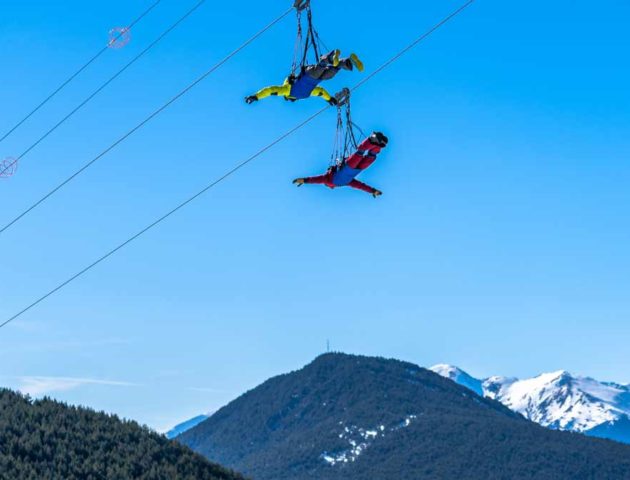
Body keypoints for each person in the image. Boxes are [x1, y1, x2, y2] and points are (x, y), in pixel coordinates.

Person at [245, 50, 363, 105]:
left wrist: (329, 99)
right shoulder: (291, 90)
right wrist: (256, 96)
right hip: (312, 76)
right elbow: (271, 90)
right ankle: (344, 61)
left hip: (314, 77)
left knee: (328, 70)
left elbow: (320, 92)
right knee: (325, 68)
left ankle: (338, 60)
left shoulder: (295, 92)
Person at [293, 132, 388, 197]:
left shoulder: (328, 179)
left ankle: (372, 139)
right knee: (369, 156)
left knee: (360, 153)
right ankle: (378, 144)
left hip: (348, 166)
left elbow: (316, 179)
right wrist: (372, 191)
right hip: (355, 169)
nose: (332, 188)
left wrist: (304, 180)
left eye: (330, 187)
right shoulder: (347, 182)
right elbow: (361, 186)